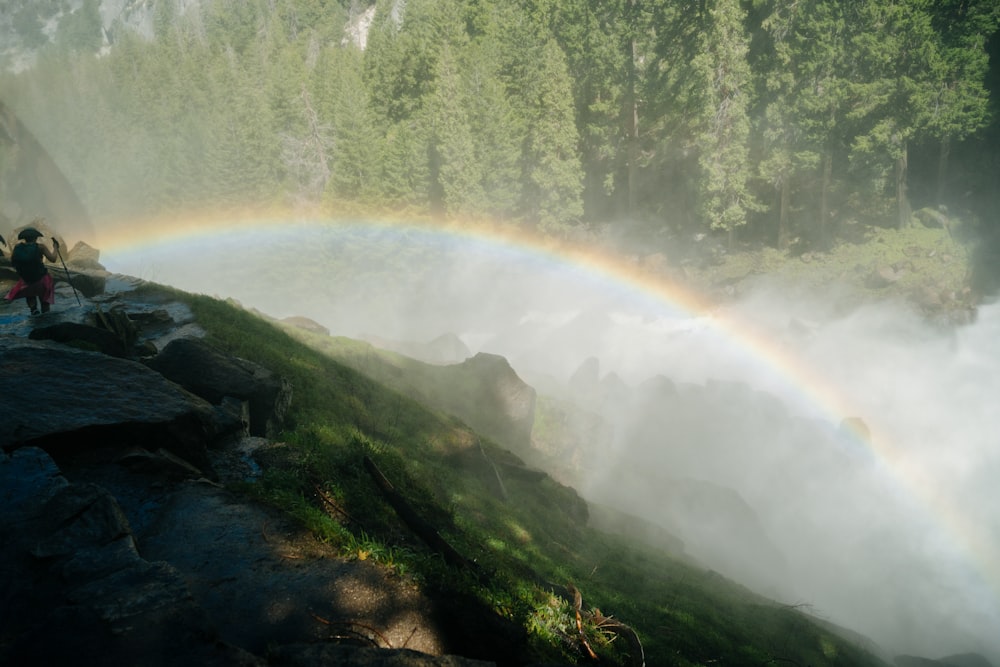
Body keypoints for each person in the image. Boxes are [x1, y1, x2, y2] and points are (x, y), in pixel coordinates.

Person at [5, 226, 58, 315]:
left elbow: (13, 261)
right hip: (41, 279)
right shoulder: (41, 247)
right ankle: (45, 315)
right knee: (44, 300)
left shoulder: (17, 248)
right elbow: (53, 259)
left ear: (24, 238)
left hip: (26, 280)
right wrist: (55, 247)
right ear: (36, 237)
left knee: (30, 294)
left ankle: (33, 309)